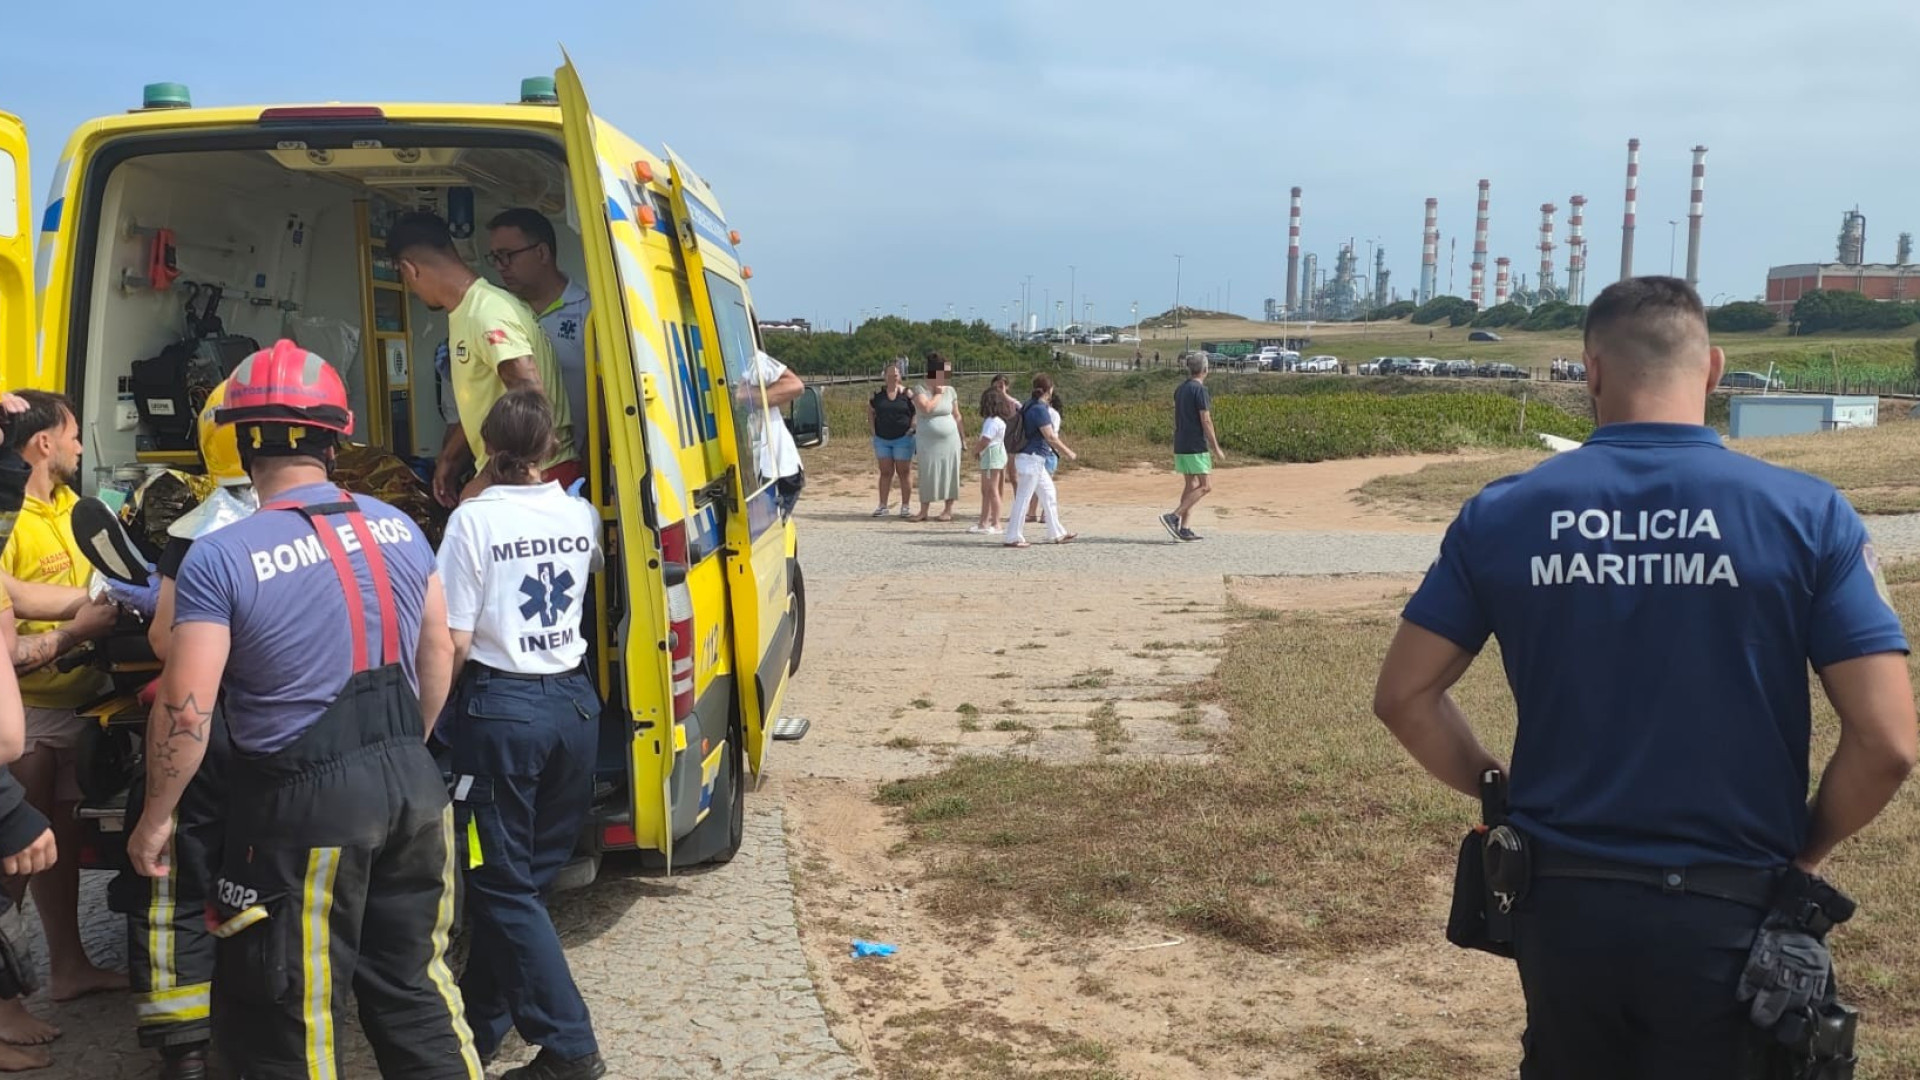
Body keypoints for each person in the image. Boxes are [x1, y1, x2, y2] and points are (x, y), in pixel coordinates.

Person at [1370, 277, 1918, 1080]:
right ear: (1715, 370)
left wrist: (1497, 785)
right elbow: (1888, 742)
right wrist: (1806, 851)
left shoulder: (1504, 512)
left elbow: (1403, 697)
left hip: (1563, 904)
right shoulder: (1809, 514)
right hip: (1734, 907)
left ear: (1590, 372)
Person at [125, 340, 481, 1080]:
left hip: (304, 809)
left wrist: (158, 817)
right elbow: (438, 653)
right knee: (417, 989)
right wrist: (404, 748)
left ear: (243, 438)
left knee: (290, 1012)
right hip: (414, 789)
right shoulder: (402, 529)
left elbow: (187, 710)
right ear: (334, 438)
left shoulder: (222, 554)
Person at [437, 390, 606, 1080]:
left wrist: (421, 730)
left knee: (500, 885)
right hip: (575, 708)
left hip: (501, 718)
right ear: (549, 448)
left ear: (486, 447)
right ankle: (478, 1030)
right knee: (525, 885)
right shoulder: (579, 512)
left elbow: (452, 640)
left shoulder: (472, 522)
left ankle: (570, 1046)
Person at [102, 381, 251, 1080]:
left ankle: (185, 1049)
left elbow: (168, 641)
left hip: (206, 735)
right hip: (292, 736)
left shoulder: (195, 532)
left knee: (169, 879)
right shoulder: (327, 521)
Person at [0, 391, 127, 1006]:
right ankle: (8, 1000)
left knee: (57, 850)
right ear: (43, 443)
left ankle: (68, 966)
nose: (80, 444)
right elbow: (13, 597)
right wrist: (79, 622)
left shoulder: (76, 508)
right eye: (73, 433)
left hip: (83, 702)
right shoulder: (10, 520)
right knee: (12, 862)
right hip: (28, 712)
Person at [387, 212, 580, 507]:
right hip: (523, 478)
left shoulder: (486, 312)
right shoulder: (471, 310)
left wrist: (487, 480)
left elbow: (530, 400)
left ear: (409, 269)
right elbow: (488, 402)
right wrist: (450, 459)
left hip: (535, 480)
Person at [487, 208, 591, 461]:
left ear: (542, 252)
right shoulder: (500, 312)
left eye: (507, 256)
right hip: (511, 469)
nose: (501, 267)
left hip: (570, 463)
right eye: (495, 258)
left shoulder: (588, 312)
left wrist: (590, 466)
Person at [1004, 374, 1078, 549]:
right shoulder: (1039, 408)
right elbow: (1050, 436)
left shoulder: (1029, 404)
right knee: (1023, 498)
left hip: (1032, 459)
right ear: (1049, 390)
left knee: (1049, 493)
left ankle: (1056, 532)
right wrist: (1068, 451)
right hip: (1032, 459)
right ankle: (1013, 536)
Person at [1162, 352, 1226, 542]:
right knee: (1206, 486)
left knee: (1191, 485)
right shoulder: (1200, 391)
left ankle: (1184, 527)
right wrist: (1215, 446)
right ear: (1205, 369)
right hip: (1196, 444)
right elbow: (1205, 419)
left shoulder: (1180, 389)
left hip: (1181, 442)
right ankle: (1174, 516)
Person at [744, 345, 808, 517]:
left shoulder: (755, 361)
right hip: (762, 470)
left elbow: (795, 385)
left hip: (776, 470)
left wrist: (747, 396)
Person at [910, 353, 963, 522]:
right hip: (928, 440)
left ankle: (948, 509)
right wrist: (938, 394)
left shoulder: (951, 390)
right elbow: (926, 408)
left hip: (951, 439)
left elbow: (957, 414)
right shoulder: (920, 389)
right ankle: (924, 510)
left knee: (950, 471)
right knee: (927, 471)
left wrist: (963, 437)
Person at [868, 362, 915, 518]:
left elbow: (916, 411)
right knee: (885, 472)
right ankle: (882, 505)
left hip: (903, 438)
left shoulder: (907, 394)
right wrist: (873, 431)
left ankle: (906, 506)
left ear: (900, 376)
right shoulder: (878, 396)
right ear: (884, 376)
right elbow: (871, 411)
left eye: (895, 375)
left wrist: (912, 426)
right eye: (889, 375)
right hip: (882, 439)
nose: (892, 377)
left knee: (904, 472)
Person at [968, 385, 1013, 535]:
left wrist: (976, 450)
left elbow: (985, 440)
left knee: (992, 490)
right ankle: (984, 522)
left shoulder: (992, 422)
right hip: (996, 453)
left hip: (991, 455)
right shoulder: (998, 421)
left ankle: (996, 522)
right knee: (987, 490)